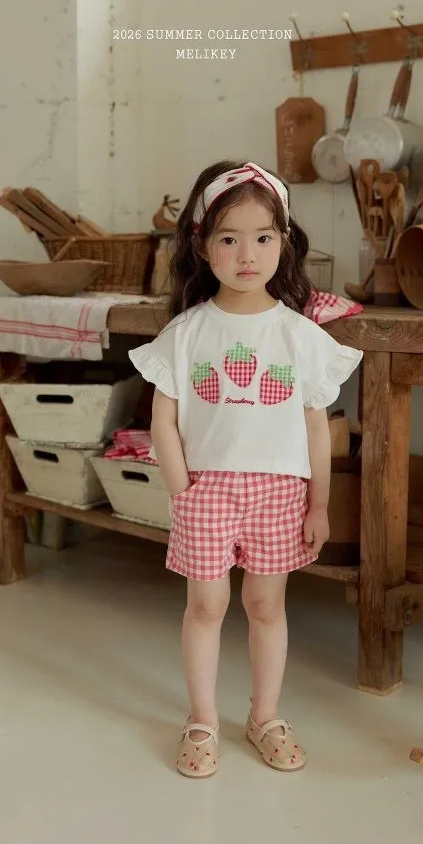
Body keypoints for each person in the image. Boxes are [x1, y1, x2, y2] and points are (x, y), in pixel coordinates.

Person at [129, 161, 362, 778]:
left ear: (283, 242)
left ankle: (265, 715)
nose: (247, 254)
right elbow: (162, 420)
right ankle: (202, 719)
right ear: (204, 246)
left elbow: (317, 427)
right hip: (207, 490)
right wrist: (182, 490)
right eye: (229, 239)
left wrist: (319, 504)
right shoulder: (187, 332)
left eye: (262, 237)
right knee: (206, 607)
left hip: (280, 491)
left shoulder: (298, 336)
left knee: (265, 604)